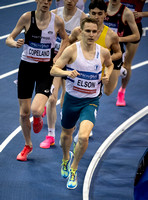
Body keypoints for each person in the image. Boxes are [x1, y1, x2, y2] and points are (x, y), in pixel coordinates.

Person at [50, 17, 114, 189]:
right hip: (71, 100)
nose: (91, 34)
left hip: (91, 101)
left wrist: (107, 73)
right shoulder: (72, 50)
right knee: (65, 136)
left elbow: (110, 64)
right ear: (81, 31)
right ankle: (65, 158)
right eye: (88, 31)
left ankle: (73, 168)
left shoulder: (103, 52)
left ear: (99, 32)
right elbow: (53, 69)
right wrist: (65, 73)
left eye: (94, 31)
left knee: (84, 136)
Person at [5, 0, 69, 161]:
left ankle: (39, 116)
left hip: (45, 70)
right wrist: (15, 43)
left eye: (49, 0)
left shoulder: (57, 21)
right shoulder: (27, 18)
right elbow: (9, 38)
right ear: (37, 0)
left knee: (35, 110)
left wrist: (58, 57)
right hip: (26, 68)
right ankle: (28, 146)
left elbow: (66, 40)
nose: (46, 2)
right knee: (24, 113)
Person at [69, 0, 122, 144]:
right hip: (78, 71)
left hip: (97, 75)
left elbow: (118, 52)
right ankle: (80, 125)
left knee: (104, 94)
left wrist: (106, 59)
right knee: (74, 98)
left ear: (105, 15)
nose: (96, 16)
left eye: (100, 14)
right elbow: (68, 42)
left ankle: (85, 125)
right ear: (88, 13)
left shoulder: (111, 35)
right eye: (93, 13)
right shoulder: (79, 31)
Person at [40, 0, 87, 149]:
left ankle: (69, 127)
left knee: (67, 99)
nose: (69, 1)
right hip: (55, 61)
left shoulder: (82, 18)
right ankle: (51, 135)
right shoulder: (54, 14)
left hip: (72, 63)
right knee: (52, 98)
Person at [104, 0, 140, 106]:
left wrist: (118, 39)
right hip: (105, 45)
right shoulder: (102, 8)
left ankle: (122, 91)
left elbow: (136, 36)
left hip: (124, 36)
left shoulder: (126, 12)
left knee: (127, 64)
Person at [116, 0, 146, 106]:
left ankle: (122, 91)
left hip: (133, 28)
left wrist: (142, 14)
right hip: (117, 25)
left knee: (127, 64)